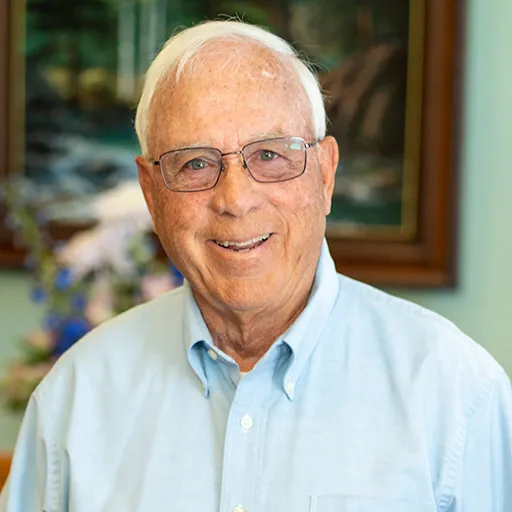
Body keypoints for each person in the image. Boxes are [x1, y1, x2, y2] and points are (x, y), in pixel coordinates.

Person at [1, 20, 511, 512]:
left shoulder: (456, 392)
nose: (236, 200)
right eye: (195, 163)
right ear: (151, 193)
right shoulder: (76, 398)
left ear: (326, 175)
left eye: (270, 155)